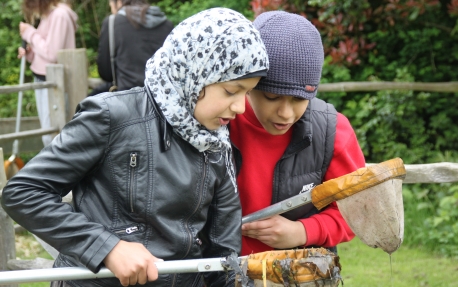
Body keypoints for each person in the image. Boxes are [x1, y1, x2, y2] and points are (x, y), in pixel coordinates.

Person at [2, 7, 269, 287]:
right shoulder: (112, 116)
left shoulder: (219, 146)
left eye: (247, 93)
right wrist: (107, 247)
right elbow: (23, 193)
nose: (240, 107)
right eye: (231, 91)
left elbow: (222, 263)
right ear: (196, 71)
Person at [229, 11, 366, 256]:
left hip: (297, 274)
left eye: (299, 99)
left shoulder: (333, 132)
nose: (285, 113)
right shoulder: (219, 120)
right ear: (249, 85)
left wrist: (302, 232)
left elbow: (358, 212)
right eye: (271, 97)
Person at [18, 0, 78, 147]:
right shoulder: (50, 15)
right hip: (43, 79)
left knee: (52, 136)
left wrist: (29, 33)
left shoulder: (59, 15)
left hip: (53, 82)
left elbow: (52, 54)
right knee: (48, 133)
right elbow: (45, 49)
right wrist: (31, 53)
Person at [88, 0, 174, 96]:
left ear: (119, 2)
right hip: (162, 98)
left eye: (111, 3)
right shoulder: (167, 24)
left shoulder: (112, 22)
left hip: (127, 99)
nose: (110, 6)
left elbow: (106, 73)